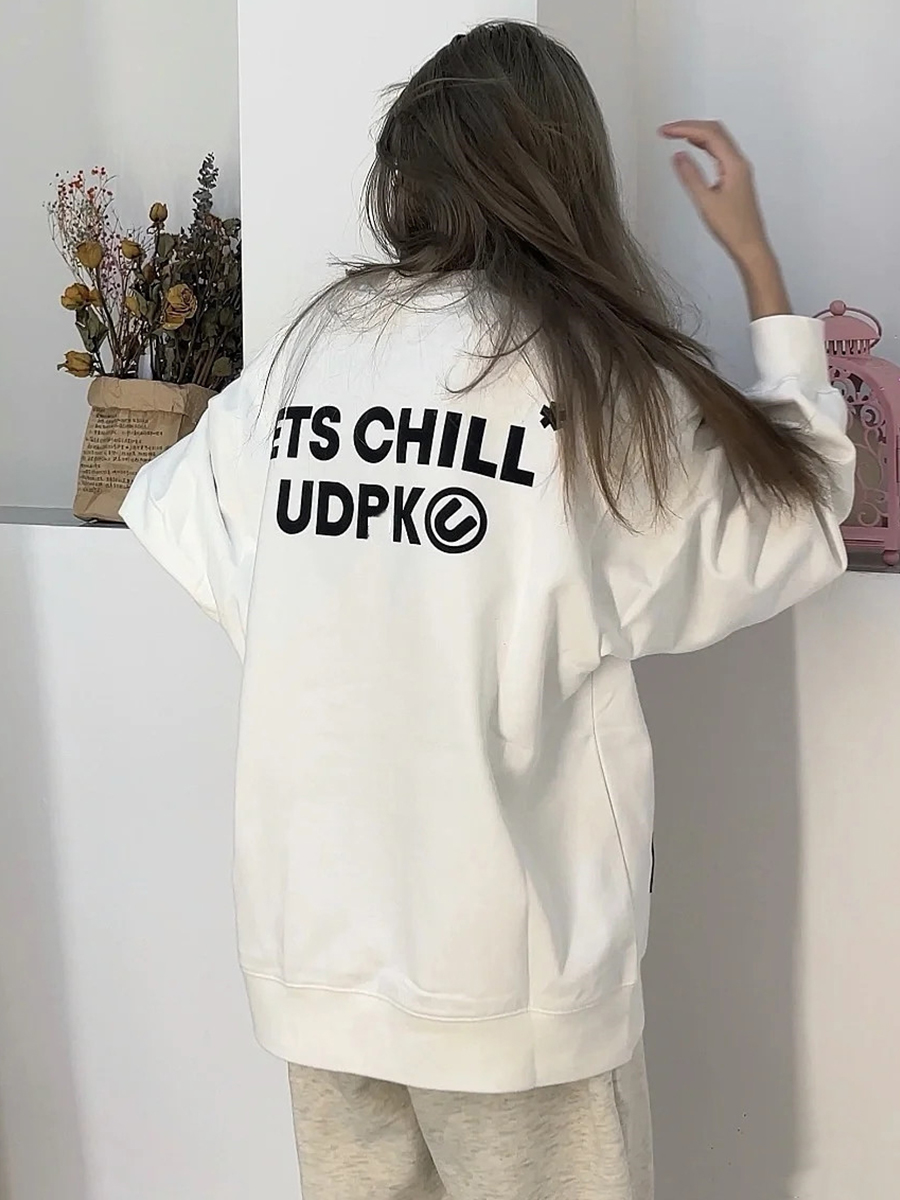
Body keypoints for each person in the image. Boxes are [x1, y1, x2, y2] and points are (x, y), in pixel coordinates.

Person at [121, 20, 855, 1200]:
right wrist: (759, 265)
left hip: (321, 961)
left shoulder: (312, 354)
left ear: (407, 170)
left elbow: (173, 509)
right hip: (513, 983)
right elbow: (798, 516)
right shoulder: (596, 379)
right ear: (566, 173)